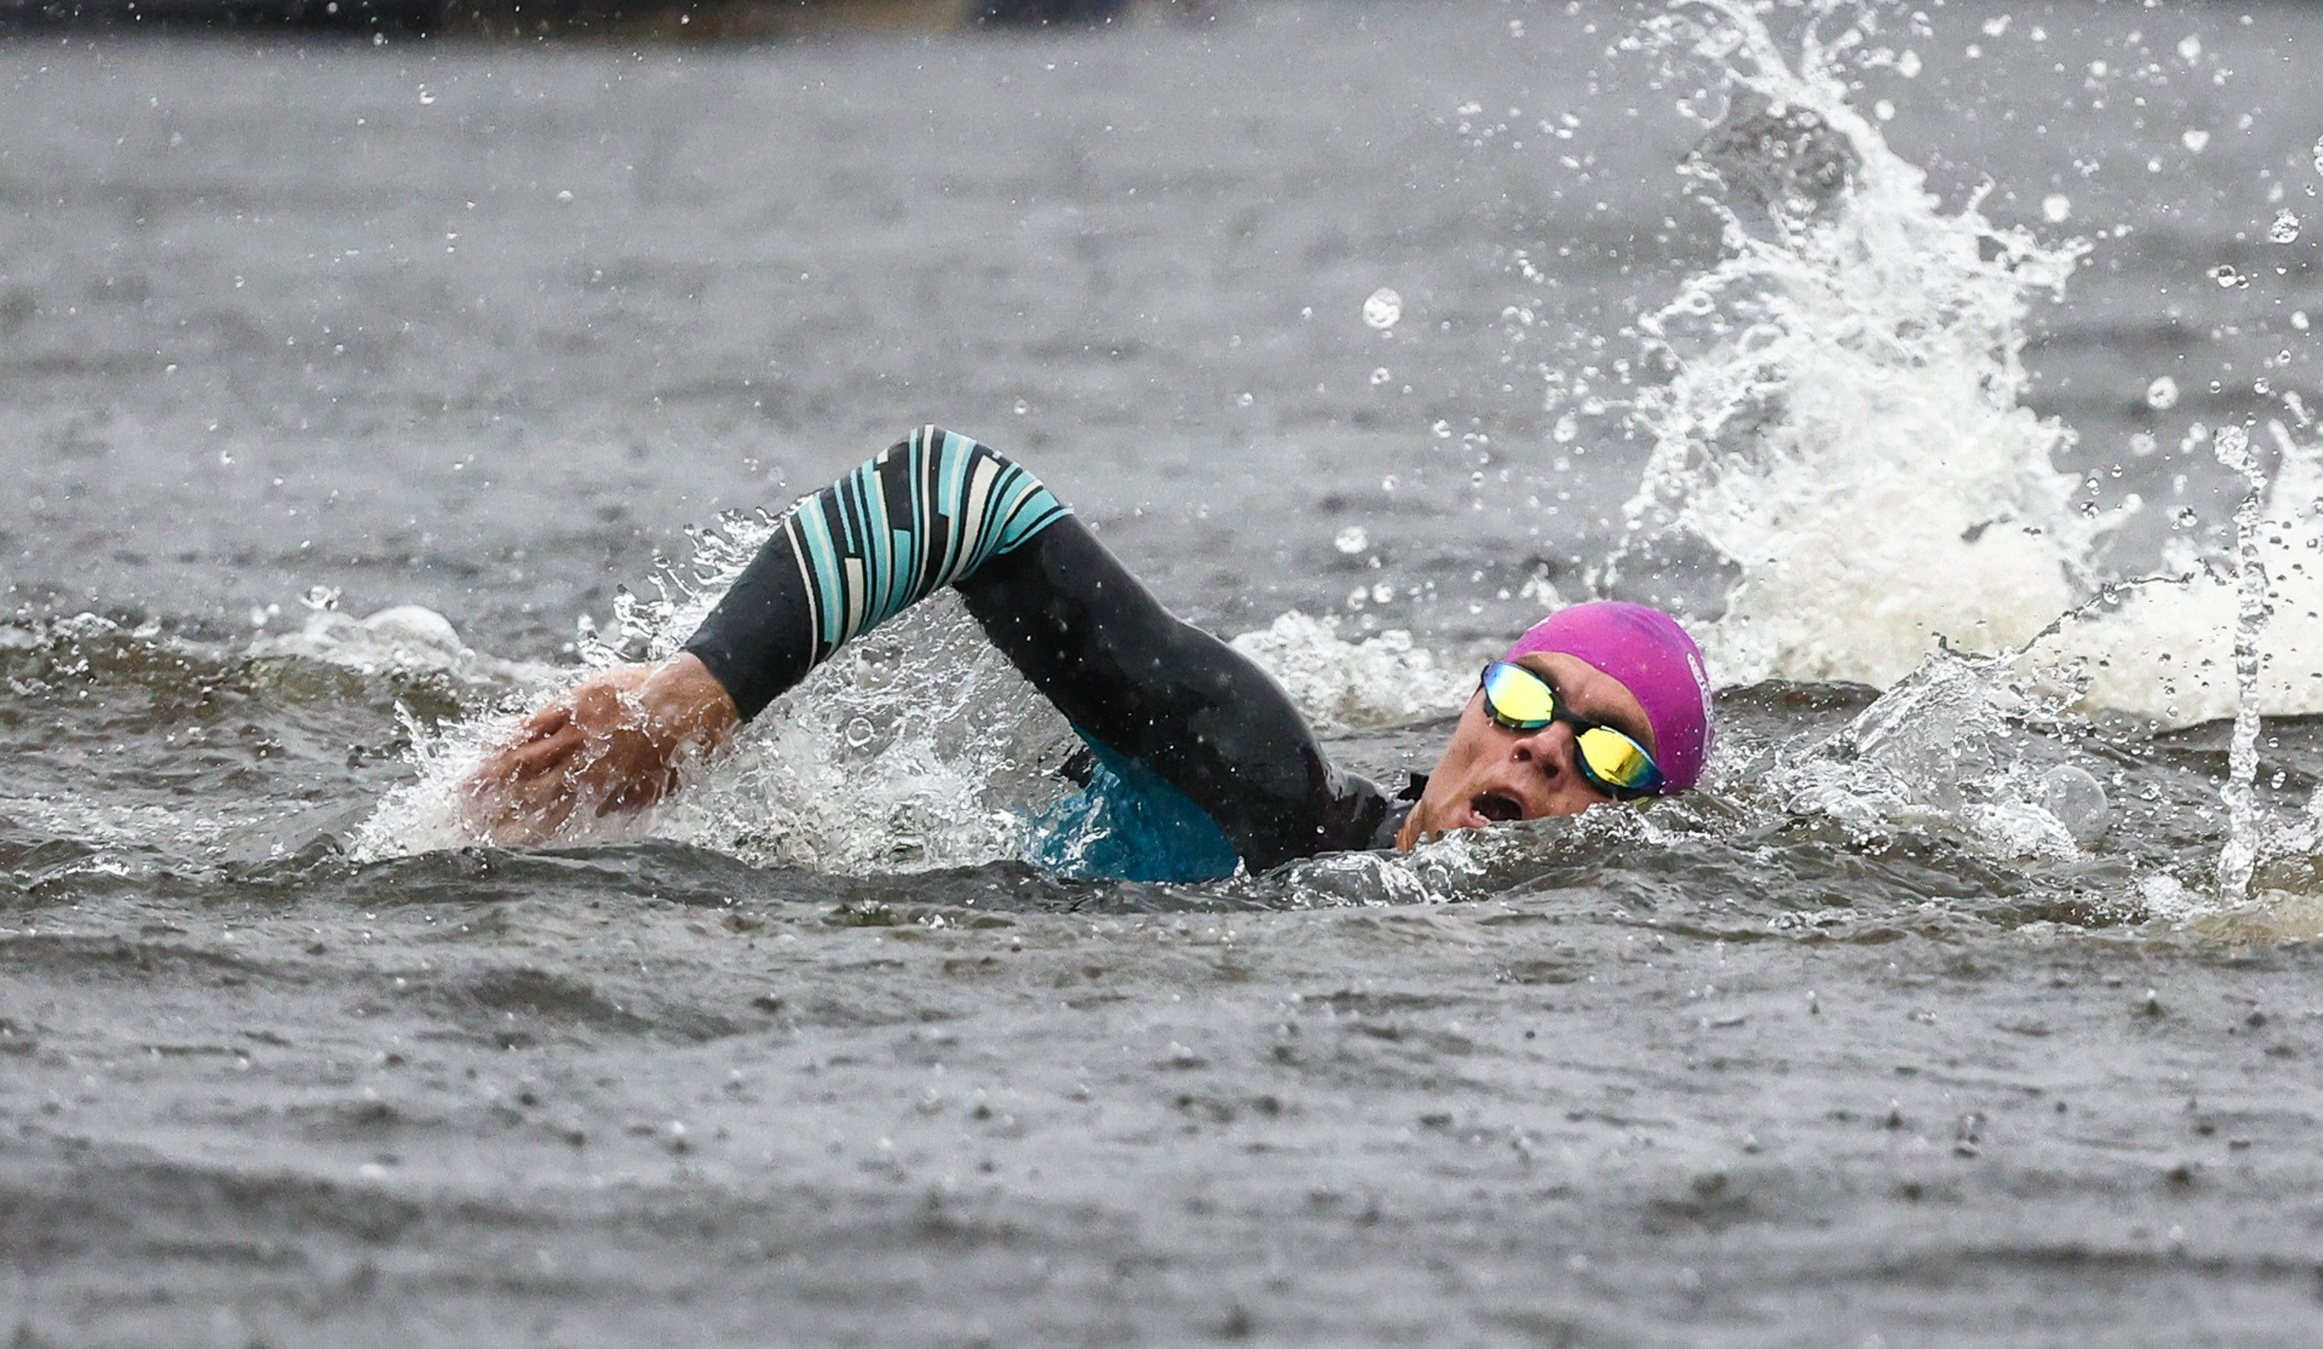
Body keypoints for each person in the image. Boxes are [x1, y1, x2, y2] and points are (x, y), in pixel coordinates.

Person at [461, 426, 1714, 880]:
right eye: (1523, 697)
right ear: (1468, 708)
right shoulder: (1260, 781)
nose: (1541, 744)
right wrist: (695, 701)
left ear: (1644, 825)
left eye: (1605, 751)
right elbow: (959, 488)